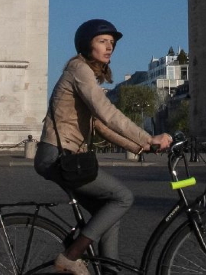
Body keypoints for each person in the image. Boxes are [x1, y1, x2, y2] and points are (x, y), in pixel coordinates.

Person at [36, 19, 173, 275]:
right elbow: (106, 111)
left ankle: (110, 271)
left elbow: (100, 125)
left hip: (62, 156)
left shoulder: (83, 72)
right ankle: (70, 257)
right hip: (59, 155)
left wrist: (141, 147)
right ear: (87, 45)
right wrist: (148, 138)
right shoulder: (79, 70)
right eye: (102, 41)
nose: (109, 47)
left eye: (112, 43)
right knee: (123, 197)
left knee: (107, 212)